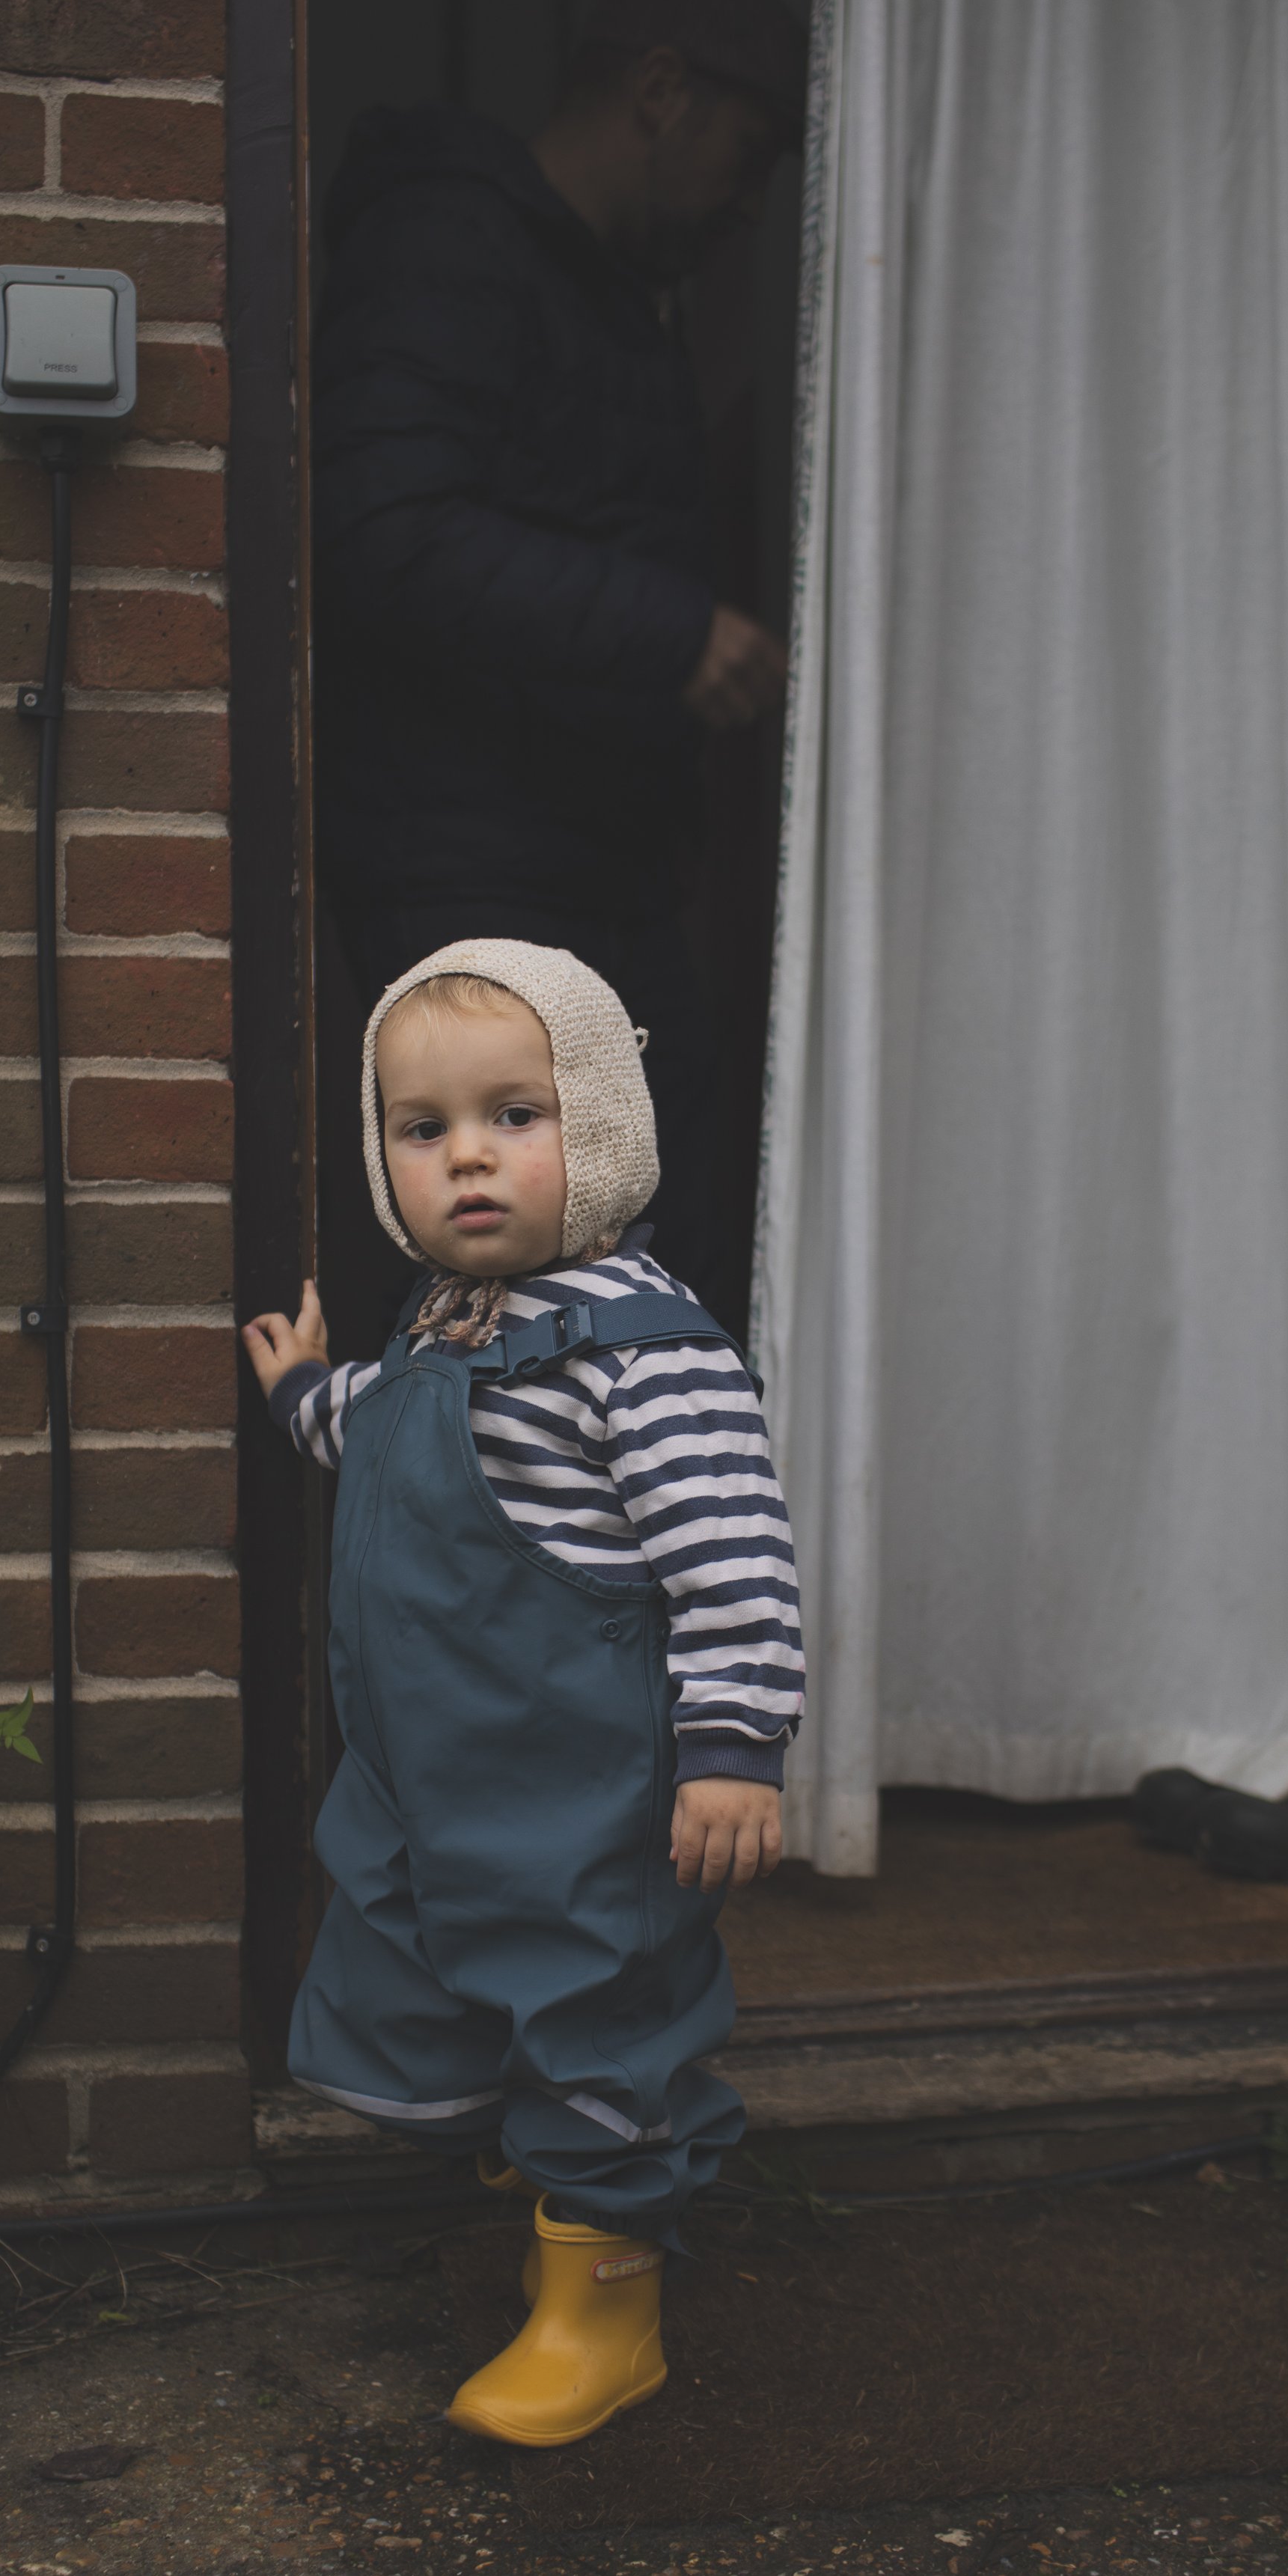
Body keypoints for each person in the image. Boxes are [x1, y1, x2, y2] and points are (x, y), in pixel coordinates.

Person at [241, 940, 805, 2447]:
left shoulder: (643, 1355)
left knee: (591, 2016)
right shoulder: (438, 1325)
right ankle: (528, 2153)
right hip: (427, 1778)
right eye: (423, 1131)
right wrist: (308, 1396)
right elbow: (388, 1437)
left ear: (603, 1133)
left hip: (583, 1797)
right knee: (406, 1972)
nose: (467, 1158)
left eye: (515, 1116)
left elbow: (735, 1562)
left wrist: (733, 1748)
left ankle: (603, 2299)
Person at [312, 0, 806, 1322]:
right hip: (475, 870)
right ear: (660, 92)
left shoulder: (613, 296)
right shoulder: (450, 246)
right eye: (750, 150)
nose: (751, 201)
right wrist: (671, 635)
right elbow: (384, 530)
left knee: (634, 1267)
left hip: (587, 872)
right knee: (516, 1289)